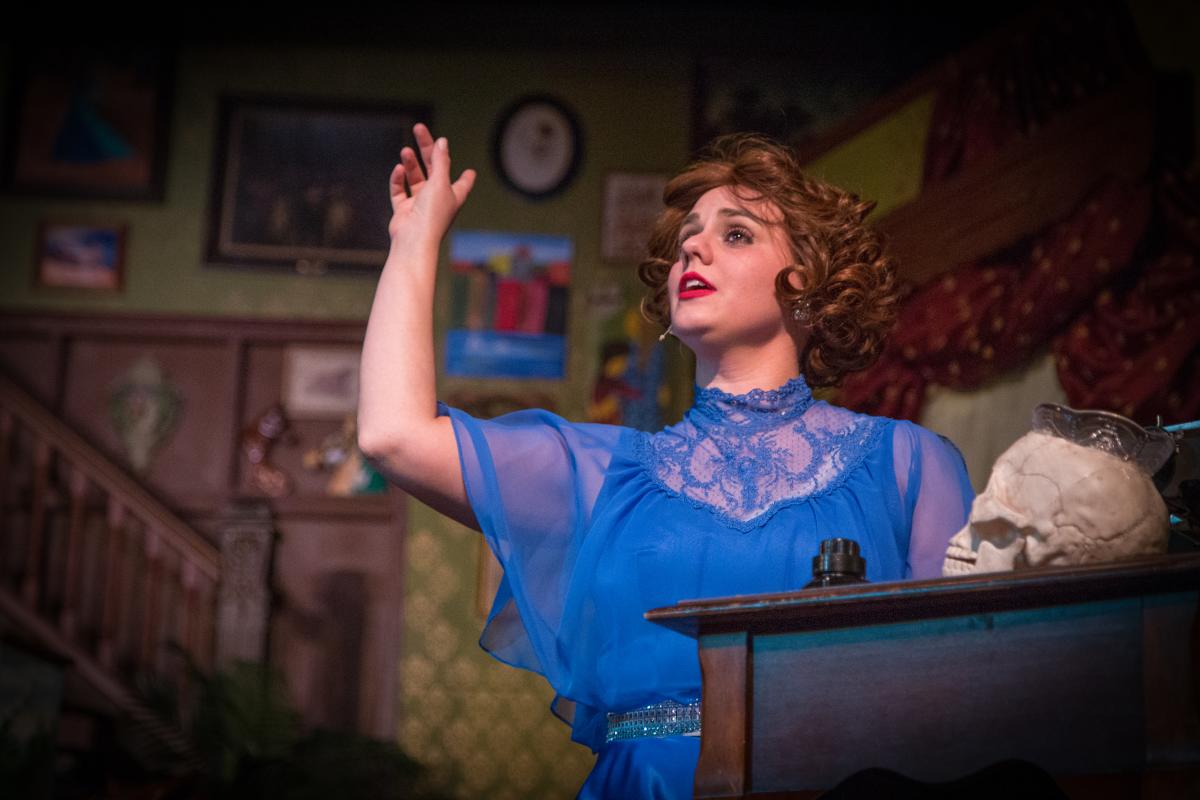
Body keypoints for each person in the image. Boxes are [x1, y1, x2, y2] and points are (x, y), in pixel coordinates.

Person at [358, 124, 974, 799]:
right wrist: (413, 242)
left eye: (734, 234)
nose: (693, 249)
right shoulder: (604, 473)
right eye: (686, 243)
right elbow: (394, 435)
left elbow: (956, 701)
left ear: (807, 281)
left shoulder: (910, 465)